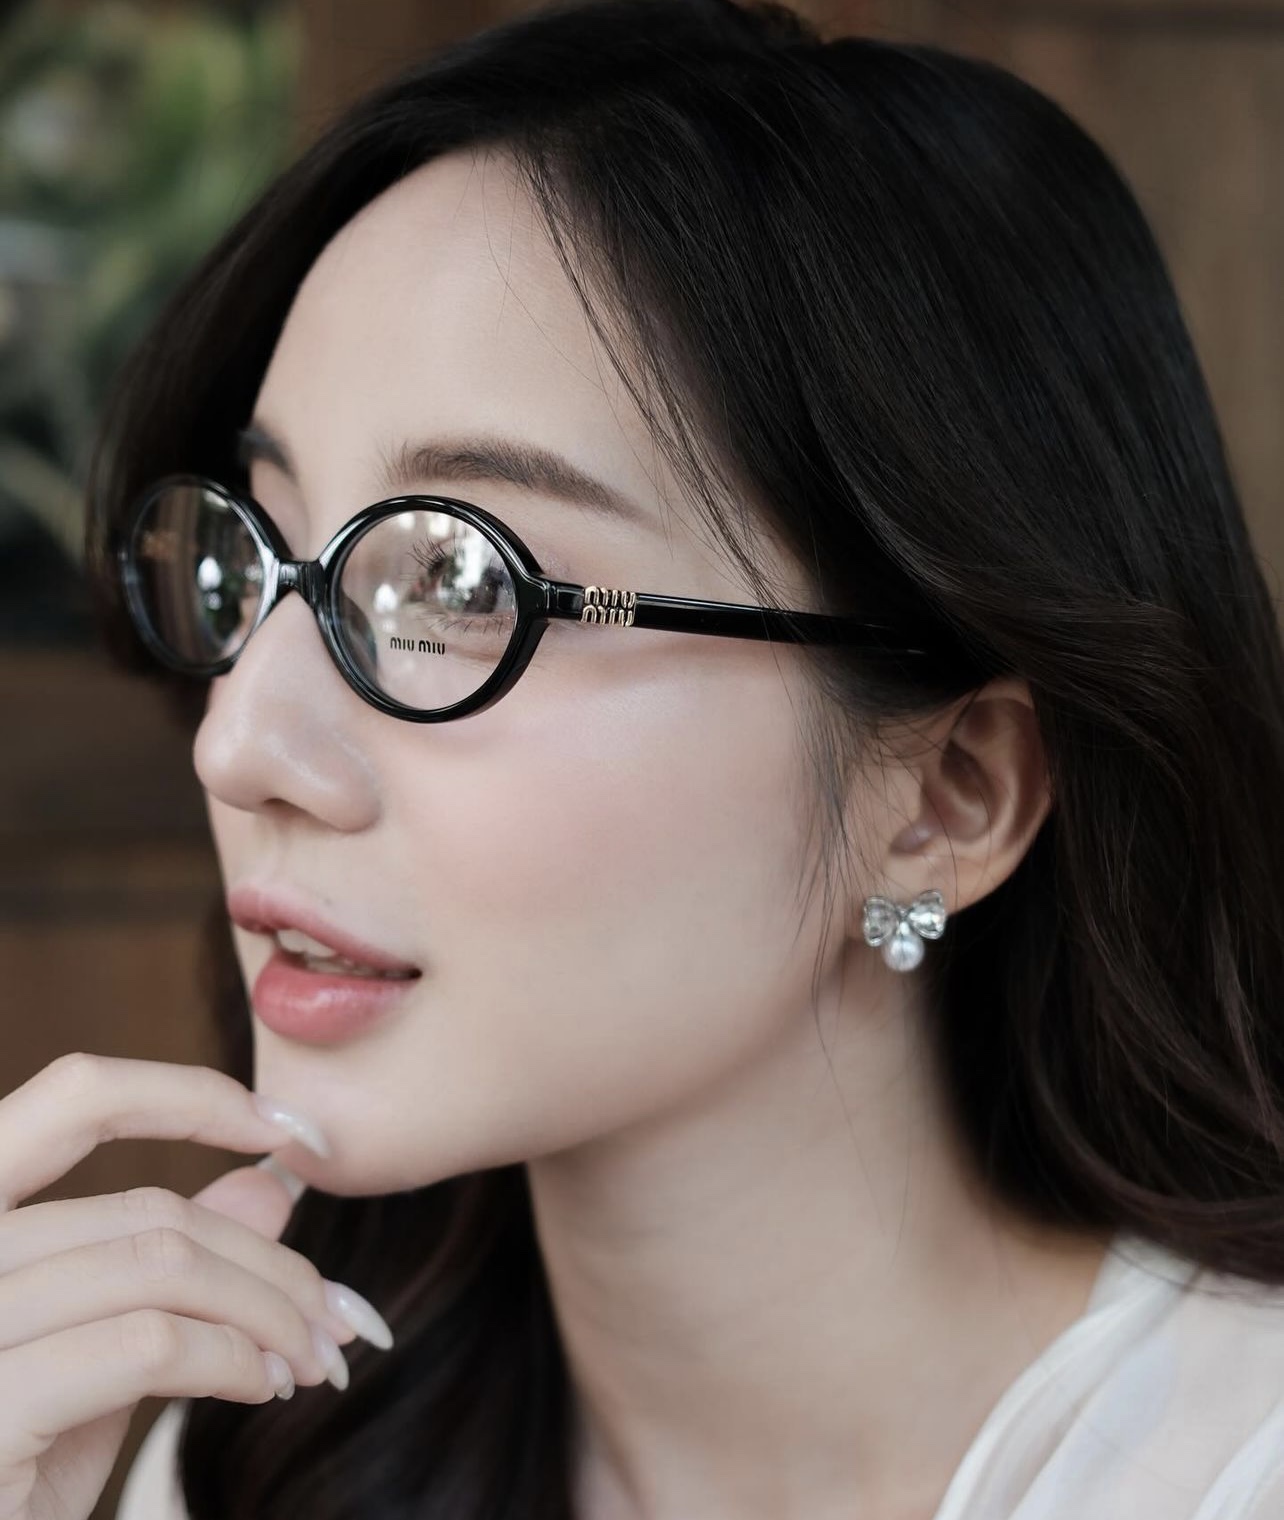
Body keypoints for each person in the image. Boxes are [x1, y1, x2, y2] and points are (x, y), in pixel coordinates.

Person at [1, 0, 1281, 1516]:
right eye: (256, 549)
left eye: (457, 583)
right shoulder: (250, 1454)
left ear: (950, 797)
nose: (238, 744)